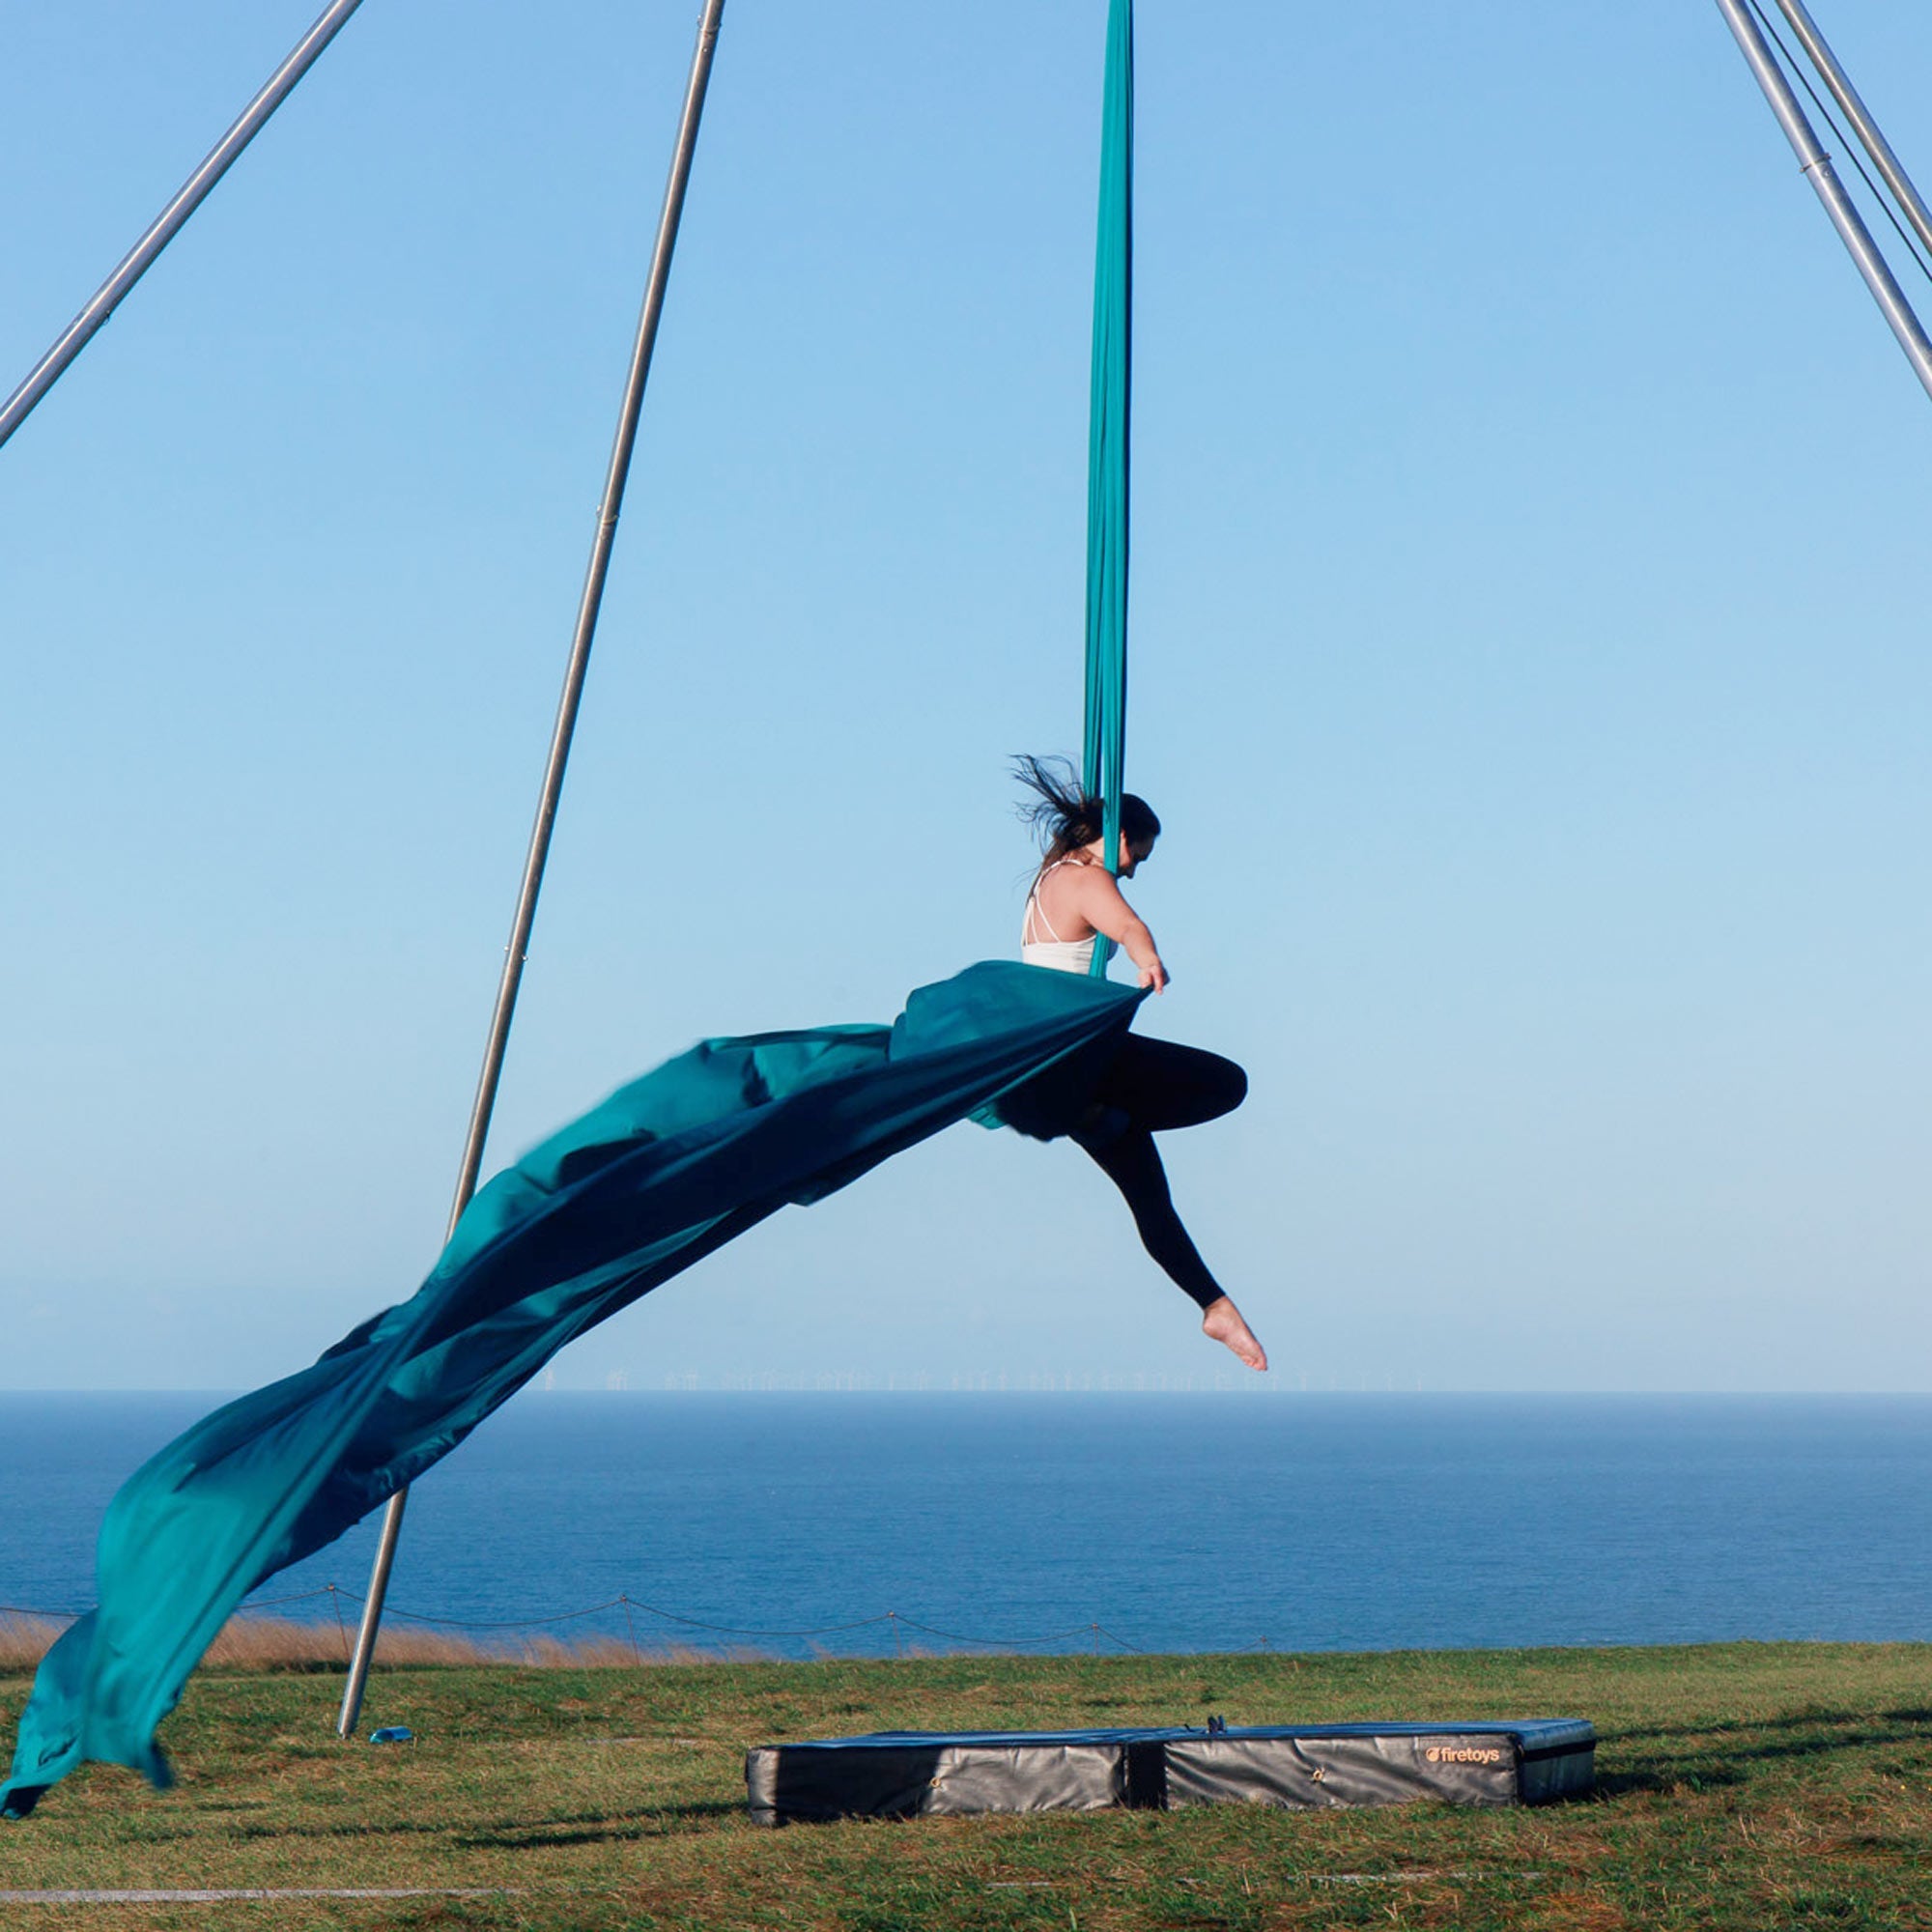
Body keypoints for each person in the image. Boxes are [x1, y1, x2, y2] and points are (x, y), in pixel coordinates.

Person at [1013, 755, 1268, 1372]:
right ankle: (1112, 1113)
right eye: (1138, 856)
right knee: (1227, 1083)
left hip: (1063, 1079)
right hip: (1081, 1061)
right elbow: (1128, 923)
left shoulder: (1046, 881)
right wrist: (1146, 957)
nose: (1132, 869)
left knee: (1150, 1200)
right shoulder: (1084, 876)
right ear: (1120, 837)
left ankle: (1213, 1306)